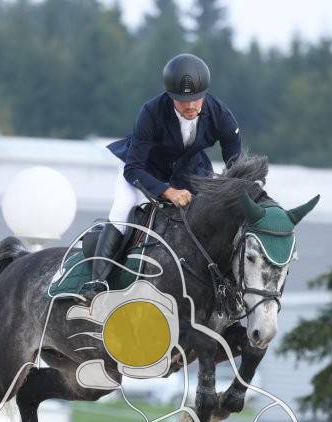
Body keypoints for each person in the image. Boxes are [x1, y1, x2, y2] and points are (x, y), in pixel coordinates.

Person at [85, 53, 243, 294]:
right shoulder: (151, 112)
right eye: (182, 100)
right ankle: (97, 282)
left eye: (196, 99)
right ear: (170, 96)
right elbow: (133, 169)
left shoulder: (220, 114)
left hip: (190, 172)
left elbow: (236, 165)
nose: (190, 106)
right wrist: (167, 191)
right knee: (122, 210)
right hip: (144, 169)